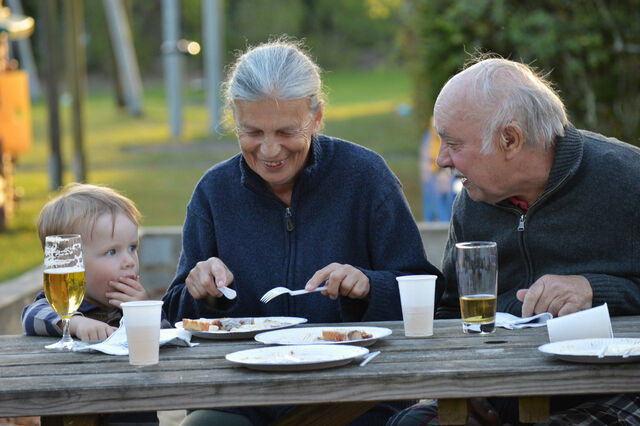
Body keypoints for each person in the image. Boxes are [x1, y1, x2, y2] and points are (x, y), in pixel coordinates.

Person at [161, 38, 443, 426]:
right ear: (234, 117)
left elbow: (423, 290)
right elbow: (173, 315)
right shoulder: (214, 192)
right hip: (238, 397)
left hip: (357, 396)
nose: (270, 150)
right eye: (253, 132)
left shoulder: (365, 177)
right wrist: (199, 291)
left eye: (286, 131)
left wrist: (368, 286)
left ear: (317, 116)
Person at [388, 56, 640, 425]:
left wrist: (595, 289)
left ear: (510, 139)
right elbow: (449, 312)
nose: (441, 159)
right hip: (496, 393)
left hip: (612, 390)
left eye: (453, 143)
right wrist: (462, 387)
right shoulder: (471, 203)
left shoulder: (628, 179)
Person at [21, 183, 159, 425]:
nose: (129, 261)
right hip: (74, 410)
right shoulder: (66, 301)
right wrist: (74, 323)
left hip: (133, 411)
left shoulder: (128, 304)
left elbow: (166, 339)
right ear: (69, 260)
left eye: (132, 248)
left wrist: (142, 309)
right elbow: (31, 315)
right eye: (111, 252)